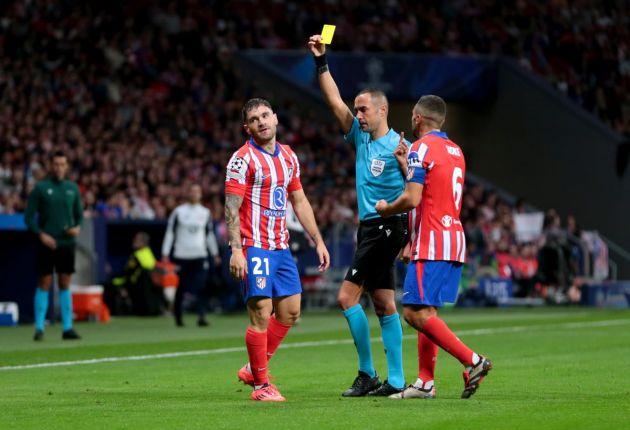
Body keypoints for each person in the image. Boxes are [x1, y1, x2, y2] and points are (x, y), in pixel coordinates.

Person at [308, 35, 408, 396]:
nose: (358, 114)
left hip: (387, 227)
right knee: (383, 302)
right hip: (369, 228)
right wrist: (322, 62)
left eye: (363, 109)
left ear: (383, 110)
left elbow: (418, 193)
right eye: (357, 109)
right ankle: (396, 380)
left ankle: (367, 373)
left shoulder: (401, 147)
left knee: (346, 298)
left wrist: (411, 236)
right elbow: (333, 100)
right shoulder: (360, 137)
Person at [375, 95, 492, 399]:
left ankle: (473, 360)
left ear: (417, 118)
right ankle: (425, 382)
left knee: (414, 314)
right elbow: (431, 193)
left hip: (432, 240)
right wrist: (406, 165)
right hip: (452, 239)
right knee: (427, 312)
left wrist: (386, 208)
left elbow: (413, 199)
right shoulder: (455, 150)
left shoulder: (420, 148)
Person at [225, 98, 330, 402]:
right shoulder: (241, 160)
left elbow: (299, 200)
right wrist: (236, 249)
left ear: (276, 118)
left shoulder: (288, 157)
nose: (262, 122)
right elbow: (231, 207)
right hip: (254, 245)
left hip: (280, 246)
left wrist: (318, 240)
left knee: (290, 311)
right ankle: (261, 386)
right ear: (248, 127)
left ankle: (252, 368)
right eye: (255, 119)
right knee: (261, 312)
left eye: (266, 115)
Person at [24, 151, 83, 341]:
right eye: (56, 164)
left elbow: (79, 216)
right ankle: (39, 328)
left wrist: (76, 228)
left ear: (66, 166)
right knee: (44, 282)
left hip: (67, 243)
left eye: (62, 164)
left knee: (65, 282)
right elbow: (28, 218)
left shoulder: (72, 188)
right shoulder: (41, 188)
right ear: (51, 165)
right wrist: (41, 235)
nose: (59, 167)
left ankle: (68, 328)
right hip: (47, 242)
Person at [161, 184, 221, 327]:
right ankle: (178, 317)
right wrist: (165, 252)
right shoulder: (178, 212)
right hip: (181, 255)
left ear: (200, 194)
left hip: (199, 254)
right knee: (180, 286)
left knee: (202, 285)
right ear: (187, 193)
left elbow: (209, 234)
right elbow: (170, 232)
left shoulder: (205, 212)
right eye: (192, 191)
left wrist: (215, 253)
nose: (194, 194)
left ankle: (201, 316)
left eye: (197, 192)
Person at [105, 232, 164, 316]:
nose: (134, 242)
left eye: (136, 240)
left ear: (143, 243)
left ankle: (113, 312)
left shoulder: (137, 256)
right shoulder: (149, 253)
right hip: (146, 288)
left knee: (108, 284)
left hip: (134, 285)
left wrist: (112, 277)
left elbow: (127, 273)